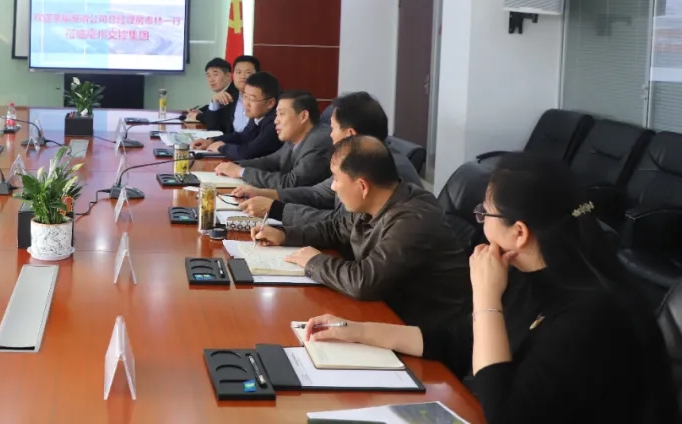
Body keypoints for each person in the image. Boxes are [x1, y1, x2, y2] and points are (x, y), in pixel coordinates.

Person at [301, 153, 677, 424]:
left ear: (519, 232)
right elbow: (457, 341)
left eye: (484, 213)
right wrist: (359, 332)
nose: (479, 222)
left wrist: (486, 300)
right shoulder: (529, 273)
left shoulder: (592, 313)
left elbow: (505, 415)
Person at [252, 136, 469, 328]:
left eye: (336, 179)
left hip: (424, 332)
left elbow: (364, 281)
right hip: (386, 313)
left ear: (362, 186)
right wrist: (284, 234)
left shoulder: (414, 220)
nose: (333, 187)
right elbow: (334, 228)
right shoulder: (377, 201)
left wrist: (314, 261)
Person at [237, 91, 422, 223]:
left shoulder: (380, 169)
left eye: (333, 129)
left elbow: (342, 223)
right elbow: (317, 193)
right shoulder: (360, 158)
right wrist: (264, 193)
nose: (330, 136)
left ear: (350, 135)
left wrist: (276, 209)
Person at [214, 90, 330, 190]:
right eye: (276, 114)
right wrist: (236, 165)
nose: (276, 121)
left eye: (282, 114)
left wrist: (241, 172)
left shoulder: (319, 141)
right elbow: (273, 160)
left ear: (303, 116)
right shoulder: (296, 136)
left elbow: (291, 183)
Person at [192, 71, 280, 160]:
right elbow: (242, 137)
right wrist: (211, 141)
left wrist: (222, 148)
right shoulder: (258, 115)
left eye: (252, 99)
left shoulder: (275, 123)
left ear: (270, 103)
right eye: (245, 97)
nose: (246, 104)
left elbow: (246, 153)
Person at [183, 57, 236, 133]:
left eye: (215, 74)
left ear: (228, 76)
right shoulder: (227, 90)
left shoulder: (233, 94)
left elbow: (219, 118)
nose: (211, 79)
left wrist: (197, 116)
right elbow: (215, 107)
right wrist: (200, 111)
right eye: (208, 75)